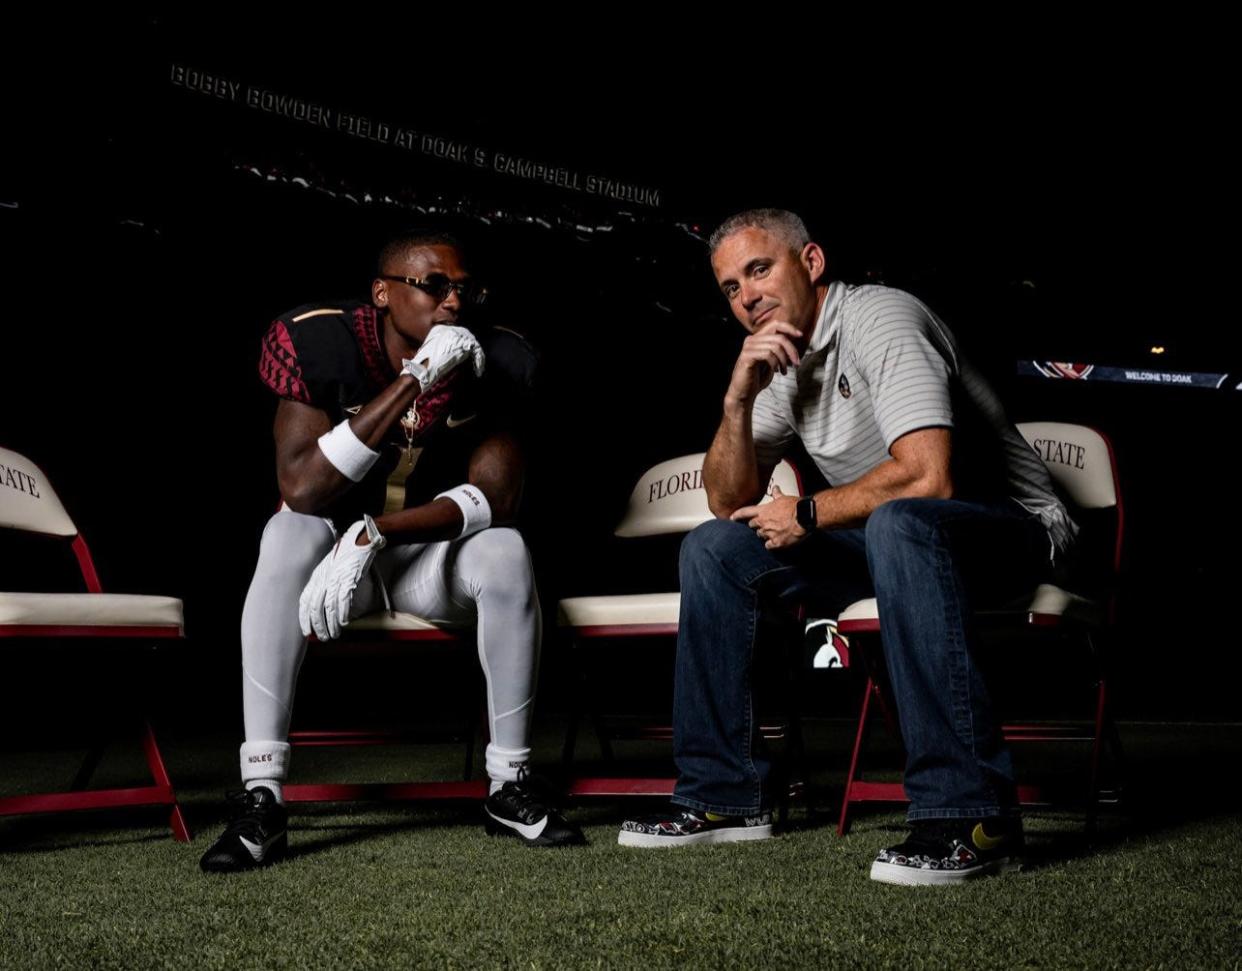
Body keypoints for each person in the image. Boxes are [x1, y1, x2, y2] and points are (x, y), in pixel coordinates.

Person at [617, 209, 1077, 885]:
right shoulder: (779, 359)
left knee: (902, 522)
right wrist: (738, 400)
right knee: (716, 548)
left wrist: (806, 510)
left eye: (759, 268)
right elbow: (724, 499)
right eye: (728, 287)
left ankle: (972, 815)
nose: (746, 296)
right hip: (889, 540)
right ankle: (722, 795)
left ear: (811, 263)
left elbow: (930, 477)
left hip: (1011, 530)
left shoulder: (881, 318)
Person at [200, 230, 583, 873]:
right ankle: (260, 796)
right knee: (284, 530)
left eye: (464, 288)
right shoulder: (317, 339)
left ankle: (508, 784)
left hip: (425, 560)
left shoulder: (499, 357)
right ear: (383, 292)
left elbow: (498, 495)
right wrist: (414, 381)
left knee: (507, 550)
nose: (453, 302)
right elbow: (302, 487)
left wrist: (375, 532)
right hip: (327, 556)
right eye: (434, 285)